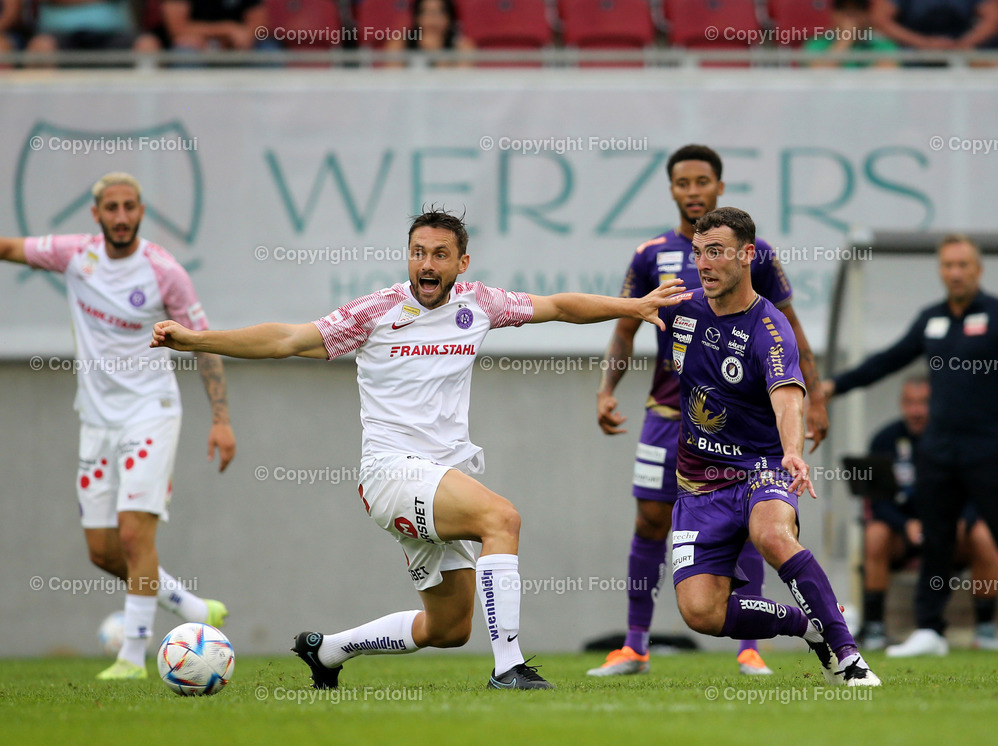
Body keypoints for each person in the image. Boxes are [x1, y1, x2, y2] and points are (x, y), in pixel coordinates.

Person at [150, 208, 686, 690]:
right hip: (391, 474)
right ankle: (509, 668)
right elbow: (284, 341)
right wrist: (195, 340)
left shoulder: (481, 303)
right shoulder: (377, 311)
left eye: (439, 255)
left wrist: (633, 305)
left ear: (461, 262)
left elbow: (560, 307)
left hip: (439, 477)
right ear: (408, 257)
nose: (426, 264)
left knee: (447, 627)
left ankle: (327, 651)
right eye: (417, 253)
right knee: (502, 519)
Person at [589, 144, 828, 678]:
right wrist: (608, 390)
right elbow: (626, 326)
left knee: (749, 520)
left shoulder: (753, 251)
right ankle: (634, 646)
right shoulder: (651, 254)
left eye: (702, 181)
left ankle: (749, 647)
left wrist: (816, 396)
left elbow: (788, 328)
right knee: (651, 520)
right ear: (672, 189)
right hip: (667, 414)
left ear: (719, 187)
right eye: (683, 182)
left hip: (742, 423)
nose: (693, 191)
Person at [0, 172, 236, 680]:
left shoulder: (164, 272)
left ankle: (132, 657)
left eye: (131, 206)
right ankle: (195, 610)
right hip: (95, 420)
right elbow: (11, 247)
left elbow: (205, 341)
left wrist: (220, 419)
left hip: (150, 413)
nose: (122, 216)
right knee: (103, 551)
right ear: (96, 214)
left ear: (142, 212)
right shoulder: (74, 255)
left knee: (134, 537)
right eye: (112, 207)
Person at [665, 206, 880, 686]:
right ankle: (810, 628)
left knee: (773, 536)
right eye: (698, 253)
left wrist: (792, 454)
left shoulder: (770, 327)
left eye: (716, 252)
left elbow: (787, 399)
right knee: (702, 613)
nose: (703, 263)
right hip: (698, 483)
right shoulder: (679, 307)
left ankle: (848, 658)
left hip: (763, 467)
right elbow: (604, 312)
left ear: (746, 255)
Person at [824, 233, 998, 657]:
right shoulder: (931, 319)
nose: (955, 273)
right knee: (936, 540)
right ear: (940, 270)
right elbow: (889, 359)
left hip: (990, 450)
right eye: (948, 266)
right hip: (938, 451)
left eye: (962, 265)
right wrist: (834, 385)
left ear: (977, 269)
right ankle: (930, 630)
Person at [859, 375, 998, 651]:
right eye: (909, 403)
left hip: (952, 532)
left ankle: (985, 631)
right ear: (901, 405)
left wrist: (961, 521)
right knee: (875, 533)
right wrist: (905, 524)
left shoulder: (957, 438)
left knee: (984, 535)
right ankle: (875, 628)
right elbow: (877, 501)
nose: (916, 410)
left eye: (923, 403)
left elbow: (978, 493)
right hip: (904, 535)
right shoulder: (885, 439)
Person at [26, 0, 160, 55]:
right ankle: (47, 112)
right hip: (59, 34)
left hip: (115, 34)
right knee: (41, 47)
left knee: (147, 45)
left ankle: (144, 112)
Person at [870, 0, 998, 51]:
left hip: (960, 57)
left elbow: (994, 19)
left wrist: (960, 45)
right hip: (913, 57)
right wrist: (924, 44)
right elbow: (880, 19)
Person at [804, 0, 900, 67]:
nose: (850, 14)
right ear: (832, 14)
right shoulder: (816, 44)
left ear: (868, 14)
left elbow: (885, 78)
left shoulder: (883, 45)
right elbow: (819, 76)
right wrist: (845, 39)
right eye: (842, 8)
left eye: (858, 8)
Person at [384, 0, 474, 67]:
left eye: (440, 12)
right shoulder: (399, 44)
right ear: (417, 16)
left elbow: (462, 83)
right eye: (426, 12)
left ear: (450, 17)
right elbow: (391, 80)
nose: (432, 18)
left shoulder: (462, 46)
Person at [162, 0, 272, 51]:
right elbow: (177, 28)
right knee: (184, 51)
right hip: (196, 44)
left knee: (269, 50)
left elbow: (259, 24)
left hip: (237, 46)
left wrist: (245, 36)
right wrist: (227, 29)